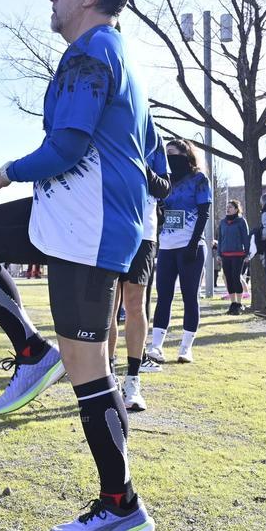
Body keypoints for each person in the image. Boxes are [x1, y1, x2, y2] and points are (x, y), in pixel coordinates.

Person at [0, 0, 156, 531]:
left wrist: (4, 171)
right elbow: (153, 149)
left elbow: (66, 145)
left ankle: (122, 506)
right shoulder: (103, 56)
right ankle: (32, 351)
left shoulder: (97, 53)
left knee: (91, 371)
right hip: (63, 214)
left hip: (88, 228)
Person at [108, 138, 170, 411]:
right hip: (107, 228)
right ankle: (107, 380)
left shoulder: (154, 141)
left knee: (134, 303)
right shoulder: (107, 131)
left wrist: (139, 166)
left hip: (143, 232)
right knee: (107, 308)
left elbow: (165, 188)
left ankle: (133, 379)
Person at [149, 139, 212, 361]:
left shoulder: (199, 179)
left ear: (186, 155)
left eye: (173, 154)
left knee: (189, 296)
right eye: (166, 155)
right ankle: (156, 346)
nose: (169, 158)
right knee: (163, 296)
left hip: (190, 247)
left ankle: (186, 347)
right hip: (166, 247)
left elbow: (204, 213)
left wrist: (193, 244)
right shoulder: (164, 181)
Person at [217, 199, 251, 315]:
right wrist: (219, 254)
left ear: (236, 209)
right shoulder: (222, 222)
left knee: (236, 277)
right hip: (225, 255)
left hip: (238, 255)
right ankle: (233, 304)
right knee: (228, 278)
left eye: (230, 207)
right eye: (227, 207)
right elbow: (220, 239)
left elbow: (246, 238)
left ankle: (239, 303)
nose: (228, 209)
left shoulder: (241, 221)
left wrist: (247, 253)